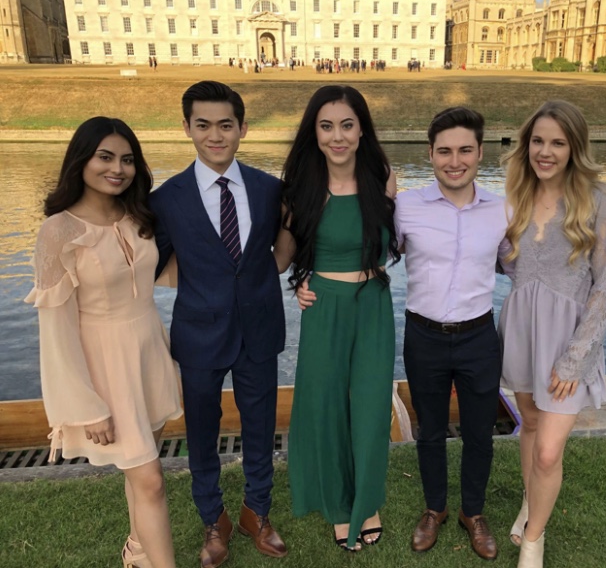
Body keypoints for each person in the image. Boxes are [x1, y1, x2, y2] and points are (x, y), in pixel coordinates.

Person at [298, 106, 511, 561]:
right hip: (424, 335)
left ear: (480, 153)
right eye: (445, 151)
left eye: (466, 151)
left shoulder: (503, 209)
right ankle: (434, 509)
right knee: (430, 431)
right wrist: (307, 277)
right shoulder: (405, 205)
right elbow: (362, 244)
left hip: (478, 336)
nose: (455, 161)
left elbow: (518, 263)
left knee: (479, 433)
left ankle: (473, 513)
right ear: (430, 154)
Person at [25, 117, 183, 568]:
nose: (118, 169)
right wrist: (85, 405)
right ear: (81, 160)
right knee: (151, 479)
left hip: (149, 353)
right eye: (106, 157)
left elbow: (158, 275)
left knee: (143, 471)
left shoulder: (139, 215)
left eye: (128, 159)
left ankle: (137, 551)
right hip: (102, 368)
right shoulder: (58, 231)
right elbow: (56, 330)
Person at [149, 81, 287, 567]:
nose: (215, 135)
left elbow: (290, 243)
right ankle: (213, 520)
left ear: (242, 129)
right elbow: (146, 263)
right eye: (203, 125)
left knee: (260, 428)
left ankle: (258, 513)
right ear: (186, 128)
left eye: (225, 125)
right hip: (198, 335)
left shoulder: (270, 190)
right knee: (202, 435)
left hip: (259, 331)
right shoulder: (166, 199)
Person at [274, 85, 399, 552]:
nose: (337, 136)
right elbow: (282, 259)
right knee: (326, 405)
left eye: (347, 125)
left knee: (368, 406)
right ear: (315, 132)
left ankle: (366, 502)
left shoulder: (383, 179)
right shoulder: (299, 189)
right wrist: (298, 284)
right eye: (326, 126)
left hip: (372, 304)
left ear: (362, 129)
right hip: (323, 304)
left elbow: (398, 241)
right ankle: (339, 504)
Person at [498, 100, 606, 568]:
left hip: (569, 339)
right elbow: (504, 265)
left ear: (574, 148)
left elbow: (605, 288)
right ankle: (532, 503)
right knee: (528, 424)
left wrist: (576, 358)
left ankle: (533, 541)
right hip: (521, 330)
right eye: (537, 141)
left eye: (557, 142)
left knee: (549, 452)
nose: (544, 152)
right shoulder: (515, 196)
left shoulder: (599, 201)